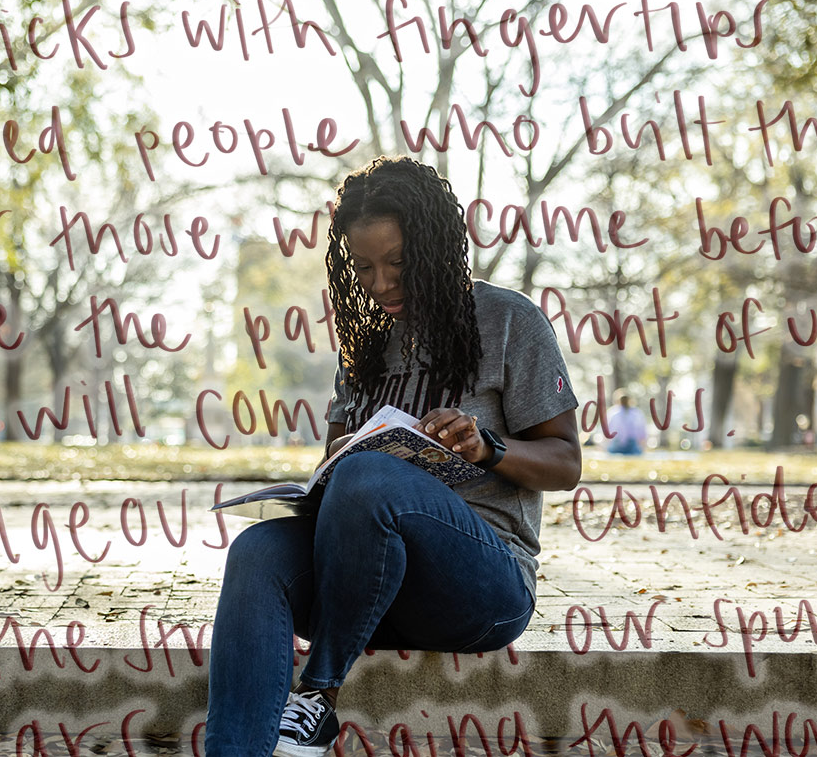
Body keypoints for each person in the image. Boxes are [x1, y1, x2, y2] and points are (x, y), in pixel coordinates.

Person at [204, 157, 582, 757]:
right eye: (364, 267)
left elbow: (566, 463)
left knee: (371, 475)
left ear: (435, 244)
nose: (381, 285)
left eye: (398, 262)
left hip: (481, 589)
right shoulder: (365, 346)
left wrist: (488, 448)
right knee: (257, 551)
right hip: (367, 585)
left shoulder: (510, 321)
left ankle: (318, 694)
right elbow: (339, 459)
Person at [606, 390, 647, 456]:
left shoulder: (613, 412)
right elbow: (642, 432)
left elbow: (607, 431)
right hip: (627, 444)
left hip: (621, 444)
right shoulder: (637, 413)